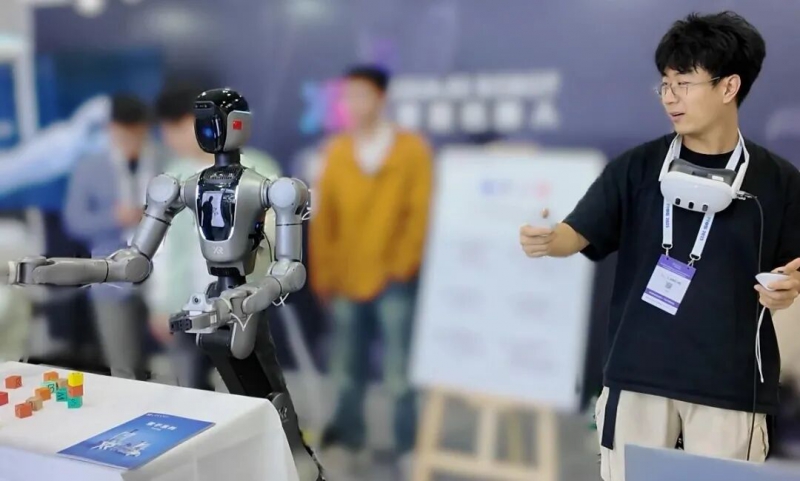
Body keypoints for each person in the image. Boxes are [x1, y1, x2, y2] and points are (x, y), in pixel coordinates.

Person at [519, 11, 800, 481]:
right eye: (665, 84)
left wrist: (788, 289)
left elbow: (793, 268)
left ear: (729, 87)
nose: (670, 97)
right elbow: (577, 232)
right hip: (637, 376)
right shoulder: (637, 168)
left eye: (684, 83)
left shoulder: (779, 182)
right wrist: (550, 240)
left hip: (730, 386)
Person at [310, 65, 434, 478]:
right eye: (348, 96)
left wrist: (400, 265)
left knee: (400, 375)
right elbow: (325, 219)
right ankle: (350, 440)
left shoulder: (411, 149)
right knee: (346, 371)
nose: (353, 104)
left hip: (394, 281)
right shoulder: (336, 151)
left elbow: (419, 214)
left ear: (381, 98)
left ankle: (408, 446)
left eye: (361, 95)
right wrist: (325, 273)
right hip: (346, 279)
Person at [146, 81, 282, 390]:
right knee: (191, 385)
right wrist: (160, 305)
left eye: (174, 129)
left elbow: (275, 236)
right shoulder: (174, 175)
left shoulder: (259, 170)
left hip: (245, 299)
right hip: (187, 300)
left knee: (252, 383)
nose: (168, 139)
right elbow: (163, 248)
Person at [63, 93, 161, 380]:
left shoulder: (164, 159)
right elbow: (74, 221)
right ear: (111, 129)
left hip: (162, 271)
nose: (132, 141)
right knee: (122, 364)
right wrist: (114, 218)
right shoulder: (90, 166)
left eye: (138, 134)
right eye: (124, 135)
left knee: (179, 358)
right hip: (110, 274)